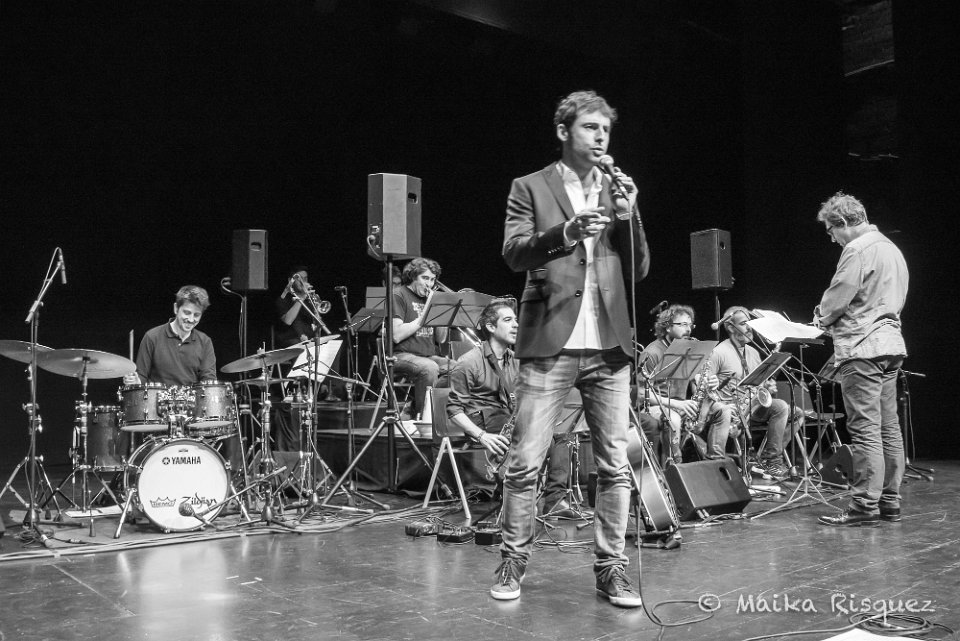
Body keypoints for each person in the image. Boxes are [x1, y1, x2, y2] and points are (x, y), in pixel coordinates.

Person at [493, 90, 649, 606]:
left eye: (605, 129)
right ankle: (512, 561)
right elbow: (515, 253)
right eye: (590, 127)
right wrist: (565, 232)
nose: (600, 137)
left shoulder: (615, 189)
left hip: (609, 347)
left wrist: (630, 215)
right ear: (564, 132)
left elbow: (639, 270)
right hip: (549, 342)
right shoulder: (530, 186)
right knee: (525, 462)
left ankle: (611, 569)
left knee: (615, 466)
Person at [813, 192, 908, 527]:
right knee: (889, 427)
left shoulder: (857, 249)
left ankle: (864, 506)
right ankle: (889, 502)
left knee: (865, 429)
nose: (832, 238)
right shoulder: (892, 249)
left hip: (863, 348)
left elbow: (838, 299)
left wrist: (820, 318)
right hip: (891, 346)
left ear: (842, 222)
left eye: (831, 231)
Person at [446, 298, 575, 516]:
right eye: (508, 320)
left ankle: (555, 500)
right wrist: (481, 436)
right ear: (490, 327)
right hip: (483, 421)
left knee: (562, 434)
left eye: (516, 320)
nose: (516, 325)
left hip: (508, 417)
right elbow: (453, 410)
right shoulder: (468, 362)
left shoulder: (516, 360)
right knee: (531, 433)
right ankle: (518, 495)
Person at [709, 307, 801, 480]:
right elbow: (705, 386)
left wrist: (768, 387)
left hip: (753, 407)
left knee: (796, 414)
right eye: (744, 323)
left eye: (750, 323)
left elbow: (758, 386)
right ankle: (773, 461)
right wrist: (722, 405)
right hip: (733, 410)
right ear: (730, 327)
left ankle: (767, 459)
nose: (750, 327)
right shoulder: (718, 352)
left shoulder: (753, 352)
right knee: (781, 407)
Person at [638, 304, 731, 463]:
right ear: (667, 327)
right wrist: (678, 404)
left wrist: (709, 383)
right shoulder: (651, 352)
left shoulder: (689, 349)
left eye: (690, 325)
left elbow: (697, 381)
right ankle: (675, 466)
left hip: (682, 405)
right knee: (673, 419)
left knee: (723, 410)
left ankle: (715, 461)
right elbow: (642, 395)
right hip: (656, 407)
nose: (688, 329)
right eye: (682, 325)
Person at [391, 257, 453, 419]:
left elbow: (441, 338)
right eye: (425, 278)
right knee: (429, 368)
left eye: (432, 280)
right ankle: (424, 418)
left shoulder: (430, 299)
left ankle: (416, 408)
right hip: (399, 355)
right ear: (413, 276)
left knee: (460, 368)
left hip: (427, 355)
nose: (429, 284)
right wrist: (425, 315)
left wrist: (443, 315)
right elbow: (396, 335)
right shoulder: (398, 295)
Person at [125, 285, 216, 387]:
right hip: (156, 397)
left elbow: (209, 381)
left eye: (196, 315)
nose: (191, 319)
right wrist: (136, 381)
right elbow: (142, 376)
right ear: (176, 308)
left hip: (192, 397)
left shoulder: (205, 342)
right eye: (187, 313)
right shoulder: (152, 337)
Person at [275, 266, 328, 348]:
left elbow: (318, 325)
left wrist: (317, 311)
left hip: (310, 340)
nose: (303, 282)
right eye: (299, 279)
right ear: (290, 280)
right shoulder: (283, 299)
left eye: (305, 278)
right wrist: (302, 296)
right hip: (291, 341)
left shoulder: (309, 299)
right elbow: (288, 320)